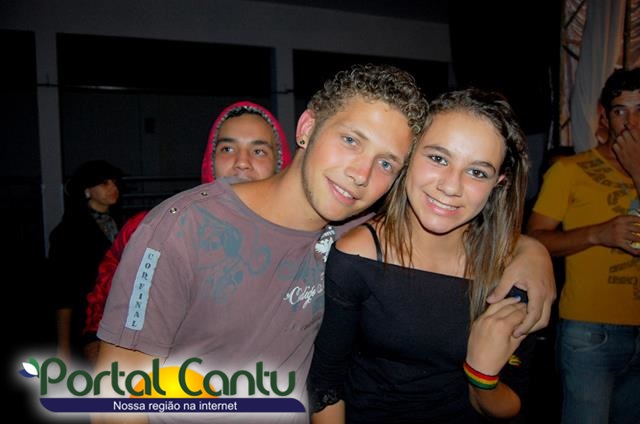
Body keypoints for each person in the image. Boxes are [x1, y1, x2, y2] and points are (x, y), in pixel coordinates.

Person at [94, 64, 555, 424]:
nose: (360, 174)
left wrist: (531, 252)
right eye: (351, 140)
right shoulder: (183, 229)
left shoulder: (357, 227)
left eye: (386, 163)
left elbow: (458, 226)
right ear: (307, 127)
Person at [309, 88, 534, 423]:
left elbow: (512, 404)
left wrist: (482, 376)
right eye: (438, 158)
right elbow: (326, 385)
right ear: (410, 155)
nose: (451, 186)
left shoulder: (511, 273)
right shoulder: (357, 257)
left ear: (498, 183)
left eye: (477, 172)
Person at [82, 101, 292, 363]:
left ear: (280, 165)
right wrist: (93, 341)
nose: (241, 163)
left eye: (259, 151)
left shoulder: (297, 243)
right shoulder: (158, 228)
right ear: (210, 161)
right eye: (227, 149)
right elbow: (107, 290)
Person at [527, 67, 640, 424]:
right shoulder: (570, 170)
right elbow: (533, 241)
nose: (632, 122)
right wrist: (597, 234)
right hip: (590, 331)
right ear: (604, 116)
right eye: (621, 110)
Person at [47, 159, 124, 366]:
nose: (113, 188)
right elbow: (63, 290)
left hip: (115, 316)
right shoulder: (69, 232)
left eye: (114, 182)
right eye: (105, 183)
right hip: (86, 321)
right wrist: (63, 347)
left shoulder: (119, 223)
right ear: (87, 190)